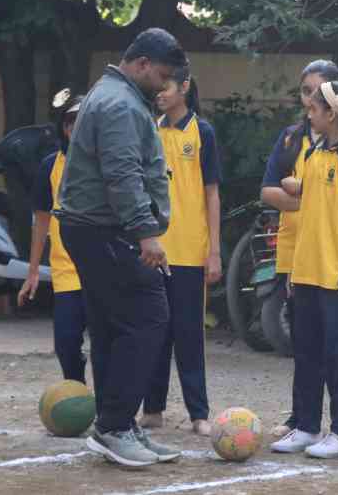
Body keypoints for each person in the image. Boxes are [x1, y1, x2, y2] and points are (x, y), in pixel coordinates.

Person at [56, 28, 184, 468]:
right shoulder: (120, 104)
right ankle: (114, 425)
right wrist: (146, 233)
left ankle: (116, 424)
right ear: (142, 63)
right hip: (105, 229)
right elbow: (122, 174)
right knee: (150, 316)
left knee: (113, 325)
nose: (164, 87)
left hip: (95, 228)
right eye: (162, 76)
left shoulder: (115, 95)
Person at [261, 59, 338, 441]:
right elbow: (286, 191)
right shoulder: (303, 146)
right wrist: (301, 194)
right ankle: (304, 424)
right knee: (305, 348)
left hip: (334, 265)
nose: (307, 105)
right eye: (304, 94)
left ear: (333, 110)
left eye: (315, 98)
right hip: (302, 262)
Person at [139, 66, 222, 437]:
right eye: (157, 87)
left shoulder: (202, 132)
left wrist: (214, 251)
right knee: (153, 331)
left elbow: (212, 194)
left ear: (184, 87)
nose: (159, 92)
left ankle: (198, 413)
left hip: (190, 251)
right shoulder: (149, 130)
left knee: (189, 335)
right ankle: (152, 409)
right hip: (154, 249)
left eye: (167, 86)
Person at [17, 91, 88, 383]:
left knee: (109, 343)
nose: (75, 128)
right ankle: (76, 388)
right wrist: (33, 271)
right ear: (63, 127)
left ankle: (110, 403)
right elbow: (42, 221)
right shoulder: (51, 166)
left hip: (102, 269)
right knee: (66, 342)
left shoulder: (107, 162)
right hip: (66, 270)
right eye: (70, 122)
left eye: (81, 121)